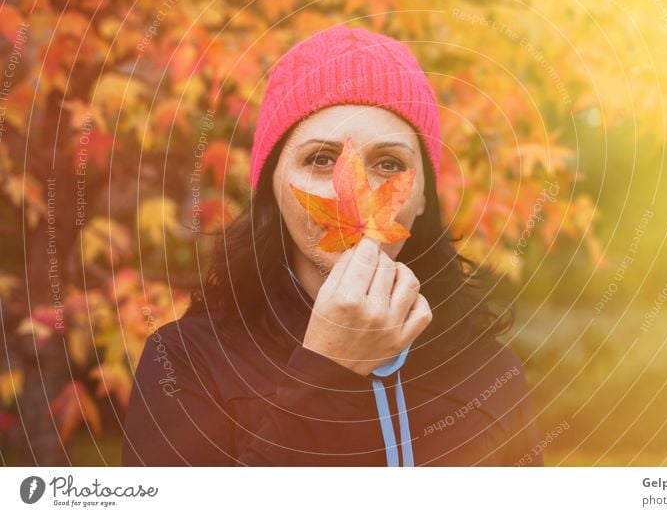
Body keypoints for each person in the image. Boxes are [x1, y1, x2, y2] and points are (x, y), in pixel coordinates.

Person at [121, 24, 544, 467]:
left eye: (389, 163)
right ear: (272, 189)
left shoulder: (490, 375)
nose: (353, 193)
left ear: (422, 200)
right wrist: (325, 375)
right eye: (321, 159)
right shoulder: (188, 363)